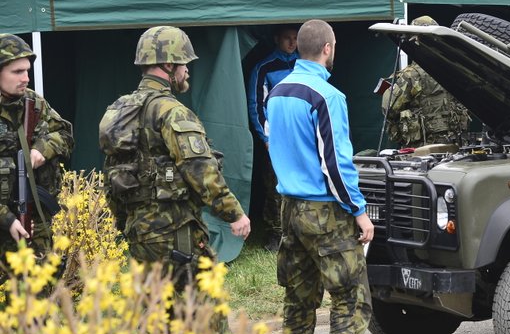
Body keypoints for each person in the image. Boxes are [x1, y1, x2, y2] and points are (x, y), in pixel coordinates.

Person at [266, 19, 395, 334]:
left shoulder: (277, 92)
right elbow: (336, 164)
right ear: (328, 48)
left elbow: (275, 144)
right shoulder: (327, 95)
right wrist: (358, 211)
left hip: (288, 206)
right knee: (350, 296)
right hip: (323, 210)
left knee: (300, 296)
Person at [98, 26, 250, 292]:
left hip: (139, 232)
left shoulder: (120, 109)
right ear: (169, 64)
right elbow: (200, 168)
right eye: (183, 64)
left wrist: (124, 221)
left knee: (155, 313)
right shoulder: (172, 112)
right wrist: (234, 214)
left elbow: (113, 170)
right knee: (205, 316)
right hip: (175, 232)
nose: (187, 70)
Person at [0, 33, 73, 268]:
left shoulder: (34, 103)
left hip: (33, 219)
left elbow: (65, 134)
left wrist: (43, 149)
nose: (26, 78)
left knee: (36, 292)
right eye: (17, 72)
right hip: (6, 219)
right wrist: (7, 218)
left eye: (27, 71)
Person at [246, 25, 299, 251]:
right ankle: (274, 234)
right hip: (276, 139)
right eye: (287, 38)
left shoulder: (305, 66)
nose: (292, 43)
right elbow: (256, 105)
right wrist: (265, 137)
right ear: (276, 39)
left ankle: (298, 230)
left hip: (301, 137)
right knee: (274, 186)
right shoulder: (264, 68)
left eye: (296, 38)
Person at [382, 16, 469, 148]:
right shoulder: (453, 70)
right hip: (455, 146)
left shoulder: (411, 75)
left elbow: (388, 109)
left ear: (414, 40)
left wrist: (389, 90)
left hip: (423, 150)